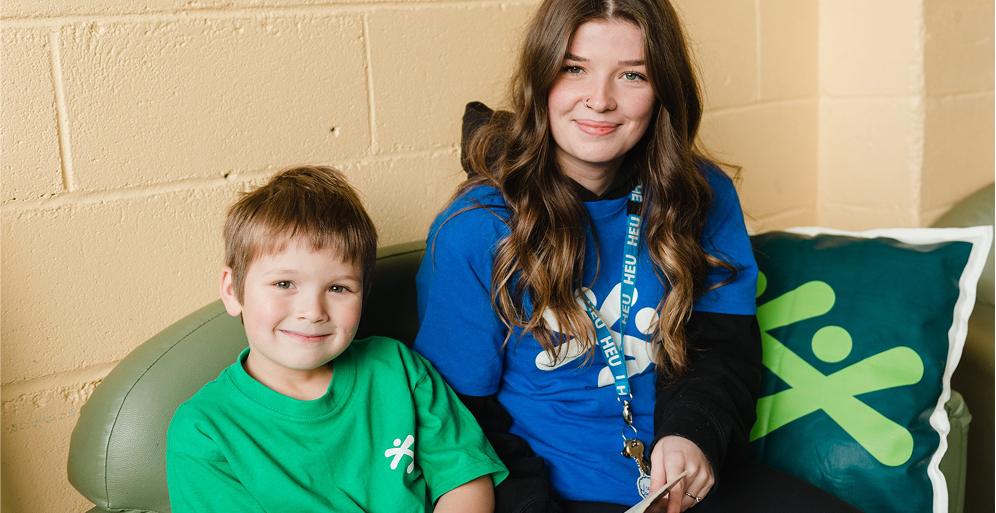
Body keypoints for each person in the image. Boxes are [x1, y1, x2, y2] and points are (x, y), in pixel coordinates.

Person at [414, 1, 863, 513]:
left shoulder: (701, 194)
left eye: (632, 75)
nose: (599, 100)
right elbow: (455, 420)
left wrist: (693, 435)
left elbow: (720, 348)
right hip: (547, 495)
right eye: (574, 69)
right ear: (540, 79)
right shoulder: (474, 228)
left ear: (663, 92)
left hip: (679, 489)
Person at [166, 166, 508, 513]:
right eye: (284, 284)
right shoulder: (203, 430)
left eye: (338, 288)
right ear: (232, 290)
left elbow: (465, 481)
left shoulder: (398, 369)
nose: (312, 311)